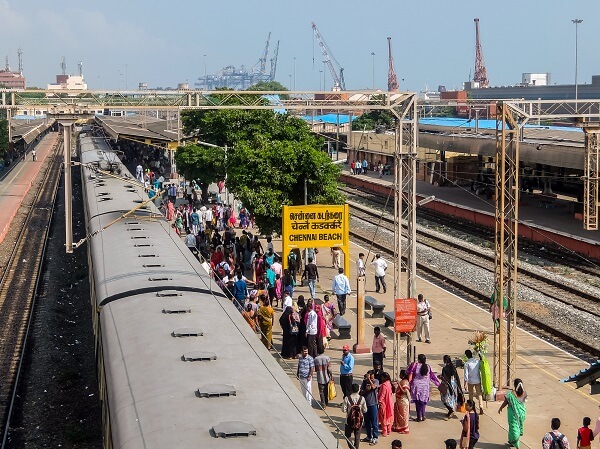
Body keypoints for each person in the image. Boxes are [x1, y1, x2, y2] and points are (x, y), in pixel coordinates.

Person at [406, 353, 441, 422]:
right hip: (425, 387)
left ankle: (418, 417)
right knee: (423, 401)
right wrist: (438, 384)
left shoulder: (414, 365)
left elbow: (408, 372)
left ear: (418, 359)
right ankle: (423, 415)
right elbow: (432, 376)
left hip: (416, 386)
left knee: (417, 402)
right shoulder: (428, 366)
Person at [498, 378, 527, 448]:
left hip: (513, 414)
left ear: (515, 385)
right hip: (521, 413)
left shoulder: (510, 394)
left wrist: (501, 408)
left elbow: (506, 402)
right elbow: (523, 401)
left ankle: (515, 442)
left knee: (514, 428)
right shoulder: (524, 393)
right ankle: (511, 441)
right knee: (515, 427)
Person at [342, 383, 367, 449]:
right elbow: (365, 410)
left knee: (347, 435)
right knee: (357, 436)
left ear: (351, 390)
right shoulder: (362, 398)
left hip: (349, 421)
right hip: (360, 420)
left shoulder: (347, 398)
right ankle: (356, 447)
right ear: (358, 390)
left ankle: (352, 448)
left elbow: (343, 410)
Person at [440, 354, 463, 419]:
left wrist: (440, 377)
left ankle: (451, 410)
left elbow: (444, 377)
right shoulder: (453, 367)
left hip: (447, 386)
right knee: (452, 399)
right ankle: (451, 410)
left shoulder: (445, 368)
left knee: (444, 399)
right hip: (454, 386)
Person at [360, 370, 380, 446]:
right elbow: (361, 392)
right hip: (365, 404)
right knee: (367, 421)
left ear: (372, 375)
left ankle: (375, 437)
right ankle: (369, 436)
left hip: (373, 404)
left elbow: (374, 387)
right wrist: (366, 390)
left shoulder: (376, 381)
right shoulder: (364, 382)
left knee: (374, 422)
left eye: (370, 375)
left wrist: (369, 380)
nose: (368, 377)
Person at [463, 350, 484, 414]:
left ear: (466, 356)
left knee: (471, 395)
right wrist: (479, 353)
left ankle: (472, 408)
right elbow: (482, 361)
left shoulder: (467, 364)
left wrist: (465, 383)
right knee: (479, 394)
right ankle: (481, 407)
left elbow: (466, 374)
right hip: (477, 380)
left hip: (470, 381)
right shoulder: (477, 361)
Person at [392, 370, 410, 434]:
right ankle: (399, 427)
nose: (399, 375)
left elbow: (404, 392)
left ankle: (405, 429)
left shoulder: (405, 382)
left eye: (400, 374)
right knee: (399, 415)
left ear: (403, 375)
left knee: (403, 415)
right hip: (399, 401)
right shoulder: (402, 381)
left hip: (403, 402)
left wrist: (399, 384)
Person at [378, 372, 394, 437]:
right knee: (389, 416)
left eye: (382, 377)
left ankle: (385, 432)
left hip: (384, 403)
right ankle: (389, 430)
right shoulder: (389, 383)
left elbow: (382, 395)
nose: (381, 378)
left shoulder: (384, 386)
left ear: (385, 378)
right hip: (390, 402)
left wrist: (379, 401)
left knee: (383, 417)